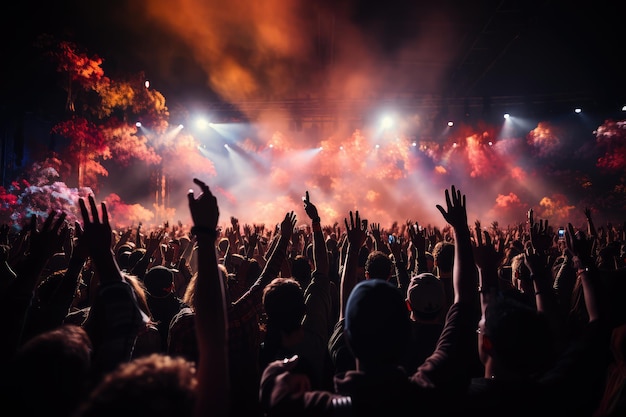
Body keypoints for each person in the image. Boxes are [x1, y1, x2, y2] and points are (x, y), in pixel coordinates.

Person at [260, 185, 480, 416]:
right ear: (404, 331)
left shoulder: (330, 405)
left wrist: (352, 249)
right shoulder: (427, 390)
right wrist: (460, 230)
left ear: (349, 335)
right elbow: (464, 305)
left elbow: (276, 395)